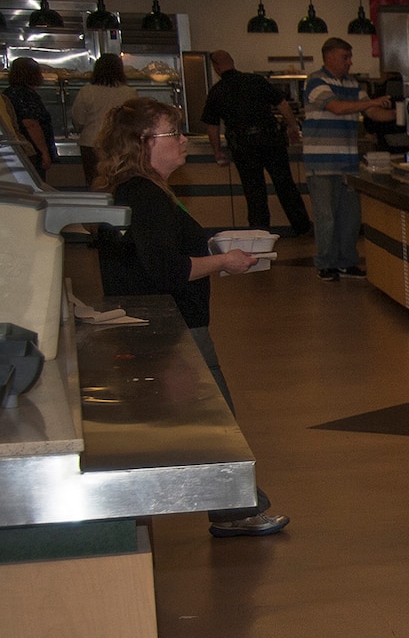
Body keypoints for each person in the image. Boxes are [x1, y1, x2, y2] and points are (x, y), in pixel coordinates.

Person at [93, 98, 290, 538]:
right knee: (214, 424)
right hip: (172, 329)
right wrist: (222, 263)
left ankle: (230, 507)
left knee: (197, 425)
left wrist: (211, 249)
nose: (184, 140)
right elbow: (170, 269)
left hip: (160, 324)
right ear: (144, 143)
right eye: (174, 133)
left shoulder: (141, 190)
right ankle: (235, 510)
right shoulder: (144, 195)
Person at [302, 37, 394, 282]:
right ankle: (326, 263)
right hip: (321, 165)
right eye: (346, 57)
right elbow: (337, 107)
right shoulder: (316, 81)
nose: (350, 62)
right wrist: (372, 101)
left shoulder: (353, 85)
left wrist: (403, 113)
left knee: (350, 218)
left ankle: (347, 262)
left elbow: (372, 112)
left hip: (348, 164)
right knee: (326, 218)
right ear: (329, 56)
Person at [202, 50, 313, 239]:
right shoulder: (256, 80)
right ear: (232, 61)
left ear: (216, 67)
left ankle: (260, 233)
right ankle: (303, 228)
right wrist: (293, 126)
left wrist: (217, 151)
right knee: (285, 185)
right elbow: (283, 104)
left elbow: (212, 127)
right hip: (270, 140)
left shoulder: (217, 91)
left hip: (243, 145)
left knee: (254, 192)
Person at [70, 54, 137, 188]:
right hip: (119, 143)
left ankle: (98, 208)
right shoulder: (129, 93)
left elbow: (78, 120)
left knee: (94, 182)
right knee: (118, 181)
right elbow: (133, 121)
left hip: (91, 143)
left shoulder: (86, 91)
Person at [5, 57, 55, 178]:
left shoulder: (8, 93)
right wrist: (44, 152)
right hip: (29, 149)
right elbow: (31, 124)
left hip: (18, 149)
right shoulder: (26, 95)